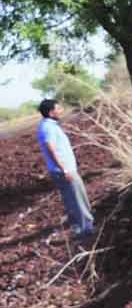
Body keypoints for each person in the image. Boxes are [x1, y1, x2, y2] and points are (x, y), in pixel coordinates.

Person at [36, 99, 95, 237]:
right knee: (79, 199)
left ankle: (78, 229)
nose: (61, 110)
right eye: (59, 108)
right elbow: (51, 148)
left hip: (60, 170)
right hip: (64, 171)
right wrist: (65, 169)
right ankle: (87, 229)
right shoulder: (48, 127)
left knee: (71, 200)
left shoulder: (49, 125)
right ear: (51, 112)